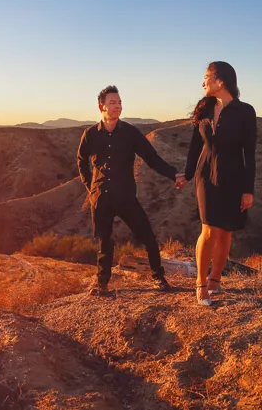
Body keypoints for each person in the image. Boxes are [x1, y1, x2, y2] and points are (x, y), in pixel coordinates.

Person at [77, 85, 184, 295]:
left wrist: (173, 174)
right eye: (112, 103)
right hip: (101, 197)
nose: (118, 106)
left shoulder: (130, 133)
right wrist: (91, 187)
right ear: (102, 107)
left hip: (125, 195)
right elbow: (81, 161)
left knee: (147, 236)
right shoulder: (90, 134)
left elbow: (151, 158)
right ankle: (102, 284)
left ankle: (158, 278)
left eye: (119, 102)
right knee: (104, 242)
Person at [180, 61, 257, 306]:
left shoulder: (245, 111)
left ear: (220, 81)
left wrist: (248, 190)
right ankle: (200, 283)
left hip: (234, 175)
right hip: (206, 175)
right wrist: (187, 174)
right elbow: (195, 146)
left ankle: (216, 280)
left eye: (206, 77)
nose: (202, 83)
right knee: (209, 230)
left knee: (226, 231)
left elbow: (250, 153)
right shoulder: (204, 108)